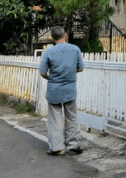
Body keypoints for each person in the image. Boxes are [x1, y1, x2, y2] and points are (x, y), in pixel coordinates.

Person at [39, 26, 84, 155]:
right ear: (65, 35)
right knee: (72, 116)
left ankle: (57, 147)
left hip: (54, 89)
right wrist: (69, 73)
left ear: (52, 38)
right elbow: (80, 68)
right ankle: (73, 144)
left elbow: (42, 72)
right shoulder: (75, 49)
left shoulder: (49, 52)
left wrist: (51, 78)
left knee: (55, 118)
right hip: (69, 88)